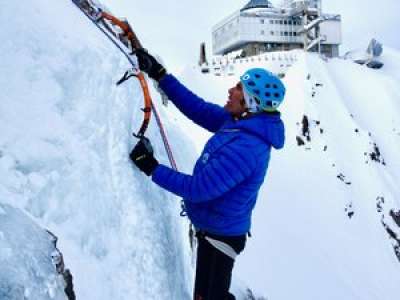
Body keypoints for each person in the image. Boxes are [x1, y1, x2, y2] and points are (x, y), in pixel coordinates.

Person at [130, 48, 286, 300]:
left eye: (238, 88)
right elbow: (197, 108)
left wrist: (152, 167)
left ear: (249, 103)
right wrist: (160, 75)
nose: (231, 90)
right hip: (215, 228)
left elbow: (198, 189)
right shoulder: (237, 122)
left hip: (221, 236)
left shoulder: (248, 148)